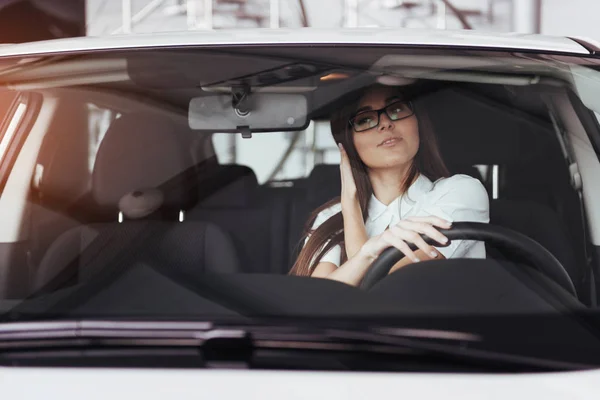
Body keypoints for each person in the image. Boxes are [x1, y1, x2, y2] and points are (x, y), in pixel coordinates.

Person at [289, 84, 489, 286]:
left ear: (417, 122)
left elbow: (383, 289)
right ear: (349, 142)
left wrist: (362, 258)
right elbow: (319, 298)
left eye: (396, 109)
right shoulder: (331, 217)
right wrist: (349, 202)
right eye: (365, 119)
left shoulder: (461, 192)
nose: (385, 123)